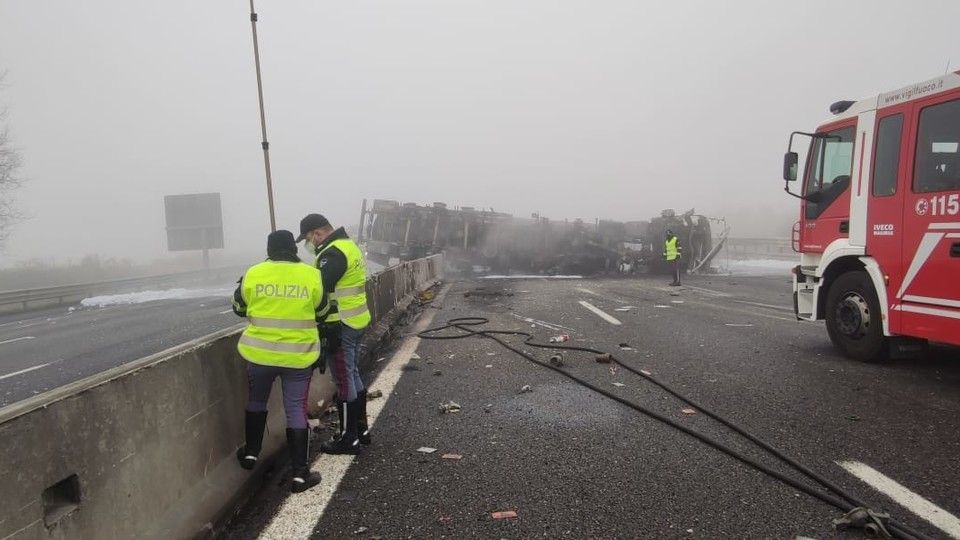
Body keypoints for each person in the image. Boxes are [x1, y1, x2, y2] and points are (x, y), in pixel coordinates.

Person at [232, 230, 328, 493]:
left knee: (256, 401)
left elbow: (238, 307)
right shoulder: (311, 274)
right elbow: (322, 311)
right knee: (295, 409)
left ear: (269, 249)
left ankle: (251, 453)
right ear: (293, 249)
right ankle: (300, 475)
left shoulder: (254, 273)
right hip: (298, 356)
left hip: (259, 355)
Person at [297, 213, 372, 455]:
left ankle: (349, 439)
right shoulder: (348, 245)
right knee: (353, 374)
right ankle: (361, 430)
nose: (309, 244)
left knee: (344, 380)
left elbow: (319, 289)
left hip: (340, 326)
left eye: (308, 238)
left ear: (318, 233)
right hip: (357, 319)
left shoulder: (332, 254)